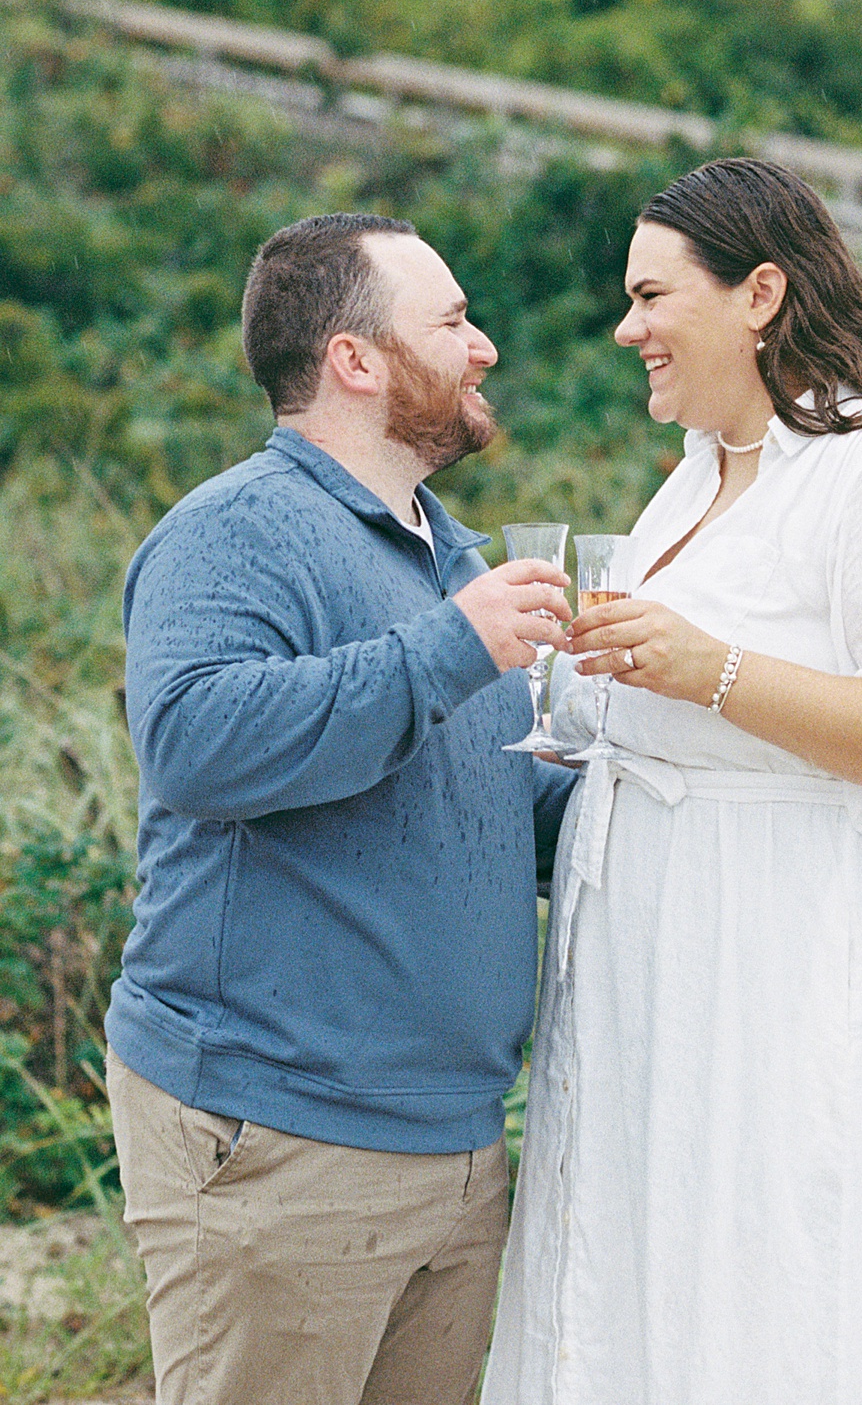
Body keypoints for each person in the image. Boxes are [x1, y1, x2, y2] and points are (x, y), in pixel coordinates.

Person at [483, 159, 862, 1405]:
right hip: (668, 957)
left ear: (760, 292)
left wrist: (714, 671)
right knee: (658, 1280)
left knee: (792, 1285)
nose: (626, 328)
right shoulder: (696, 472)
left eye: (651, 295)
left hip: (803, 951)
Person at [105, 210, 576, 1405]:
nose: (486, 350)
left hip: (458, 1149)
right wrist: (444, 656)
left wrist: (693, 779)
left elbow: (495, 809)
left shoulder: (452, 563)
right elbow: (197, 747)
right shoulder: (233, 532)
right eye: (456, 321)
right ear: (355, 361)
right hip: (282, 1140)